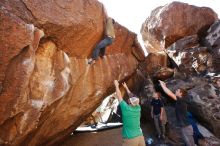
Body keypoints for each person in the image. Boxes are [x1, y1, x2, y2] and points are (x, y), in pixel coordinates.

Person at [159, 80, 195, 146]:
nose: (175, 91)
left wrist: (162, 85)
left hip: (186, 127)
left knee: (190, 144)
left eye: (177, 91)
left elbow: (169, 93)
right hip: (184, 126)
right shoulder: (181, 100)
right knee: (187, 143)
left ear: (181, 93)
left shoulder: (182, 101)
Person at [114, 80, 145, 146]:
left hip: (130, 139)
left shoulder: (126, 108)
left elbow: (119, 95)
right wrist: (126, 87)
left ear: (130, 102)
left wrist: (116, 85)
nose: (129, 98)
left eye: (130, 99)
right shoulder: (138, 108)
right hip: (140, 136)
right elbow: (132, 96)